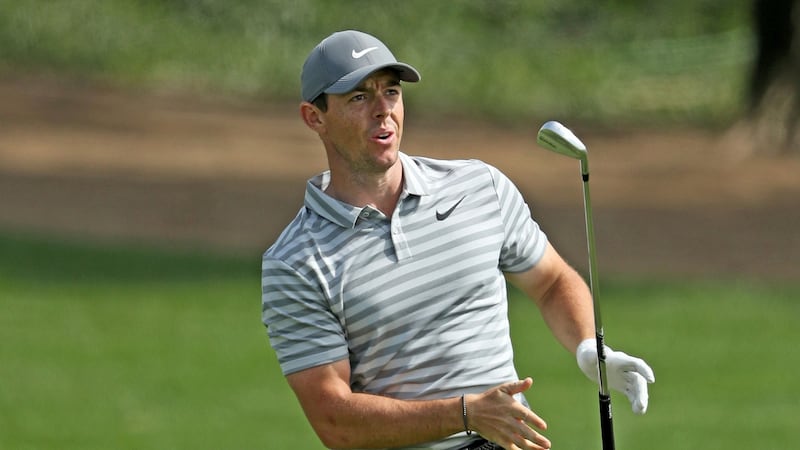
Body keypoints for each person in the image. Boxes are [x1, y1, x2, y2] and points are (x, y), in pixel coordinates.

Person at [261, 29, 655, 450]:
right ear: (314, 117)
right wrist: (466, 414)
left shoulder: (479, 187)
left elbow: (552, 281)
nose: (383, 111)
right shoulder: (297, 262)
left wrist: (586, 348)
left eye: (391, 92)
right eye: (359, 97)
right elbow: (335, 420)